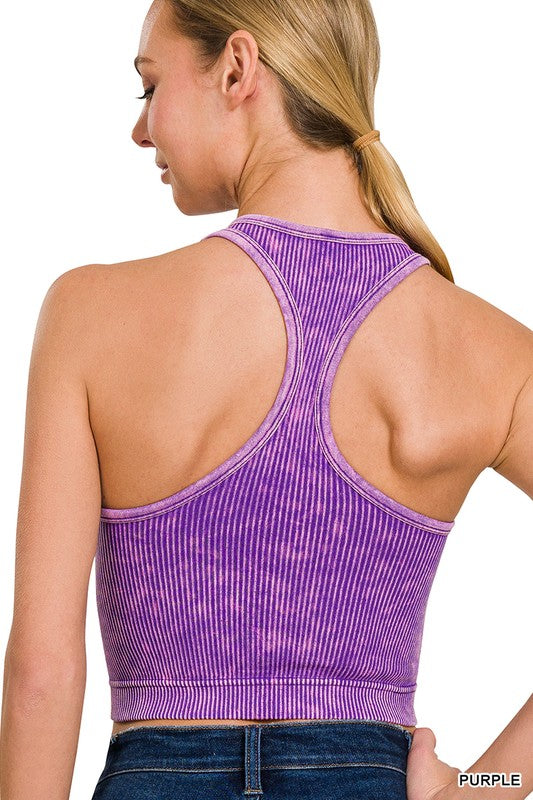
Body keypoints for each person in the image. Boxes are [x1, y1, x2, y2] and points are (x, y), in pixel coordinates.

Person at [1, 0, 531, 798]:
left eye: (149, 87)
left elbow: (42, 674)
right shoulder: (486, 350)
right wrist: (485, 787)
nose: (141, 130)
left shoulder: (90, 313)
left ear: (236, 69)